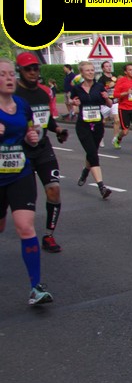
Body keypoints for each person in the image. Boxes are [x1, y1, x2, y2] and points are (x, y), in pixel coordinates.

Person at [0, 58, 54, 305]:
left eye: (11, 74)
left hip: (20, 172)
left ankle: (35, 287)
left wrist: (31, 136)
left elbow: (31, 130)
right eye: (2, 75)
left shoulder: (22, 105)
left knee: (25, 226)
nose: (9, 78)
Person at [15, 52, 67, 253]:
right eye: (28, 69)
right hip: (21, 152)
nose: (32, 72)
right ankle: (26, 231)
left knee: (54, 190)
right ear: (20, 71)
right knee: (26, 199)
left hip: (43, 148)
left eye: (35, 68)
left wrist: (58, 129)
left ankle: (49, 236)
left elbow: (47, 120)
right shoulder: (14, 94)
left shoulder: (44, 93)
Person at [71, 61, 113, 199]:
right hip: (83, 126)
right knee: (93, 154)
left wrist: (107, 98)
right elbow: (74, 107)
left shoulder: (99, 86)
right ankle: (102, 187)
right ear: (82, 73)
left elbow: (109, 104)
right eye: (87, 70)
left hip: (97, 125)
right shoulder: (77, 89)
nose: (90, 72)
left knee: (92, 152)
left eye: (92, 70)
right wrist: (74, 104)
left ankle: (85, 171)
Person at [97, 60, 118, 130]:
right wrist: (108, 87)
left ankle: (115, 137)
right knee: (103, 121)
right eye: (106, 66)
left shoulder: (115, 77)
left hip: (115, 101)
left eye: (109, 66)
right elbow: (99, 90)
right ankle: (99, 134)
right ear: (103, 68)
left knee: (117, 120)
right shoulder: (101, 79)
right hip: (106, 102)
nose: (109, 68)